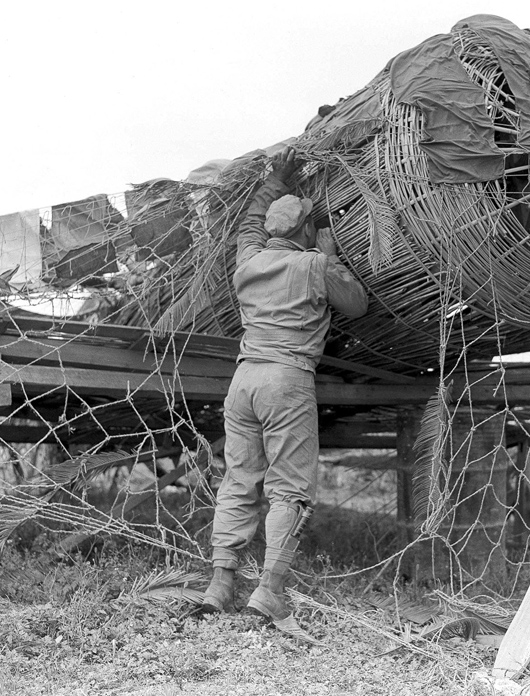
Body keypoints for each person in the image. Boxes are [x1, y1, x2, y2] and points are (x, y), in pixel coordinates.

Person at [201, 147, 368, 635]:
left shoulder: (247, 263)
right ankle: (269, 592)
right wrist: (329, 255)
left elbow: (250, 224)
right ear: (303, 231)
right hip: (286, 380)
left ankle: (219, 585)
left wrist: (274, 180)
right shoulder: (313, 265)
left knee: (238, 481)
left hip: (244, 380)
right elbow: (355, 304)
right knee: (288, 489)